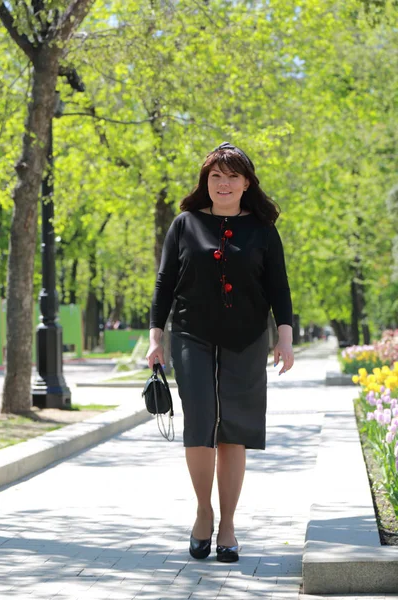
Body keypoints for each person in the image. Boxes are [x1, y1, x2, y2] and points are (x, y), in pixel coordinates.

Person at [146, 142, 294, 563]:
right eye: (216, 176)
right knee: (200, 425)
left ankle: (228, 523)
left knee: (234, 431)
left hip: (247, 340)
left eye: (232, 176)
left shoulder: (263, 230)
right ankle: (203, 512)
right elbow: (164, 284)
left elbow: (278, 287)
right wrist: (156, 336)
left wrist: (284, 337)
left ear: (247, 183)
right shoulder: (184, 224)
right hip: (191, 336)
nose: (223, 183)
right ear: (205, 182)